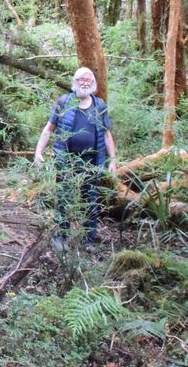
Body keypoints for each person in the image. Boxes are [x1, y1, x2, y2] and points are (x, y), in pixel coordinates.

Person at [34, 67, 118, 250]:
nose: (85, 82)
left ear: (94, 84)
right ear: (75, 82)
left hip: (92, 161)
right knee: (64, 197)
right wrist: (38, 151)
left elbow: (106, 134)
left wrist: (112, 159)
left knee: (90, 199)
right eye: (81, 79)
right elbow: (49, 129)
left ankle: (89, 239)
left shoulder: (99, 105)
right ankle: (62, 237)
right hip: (67, 160)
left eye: (89, 80)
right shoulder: (64, 102)